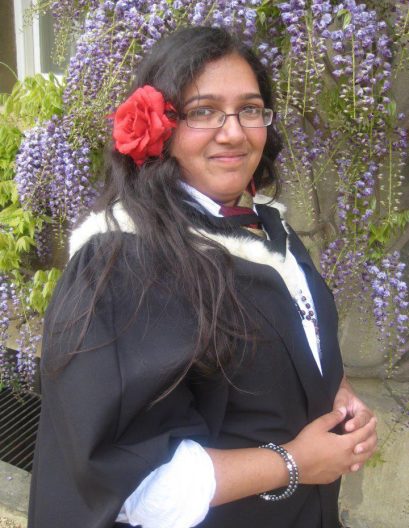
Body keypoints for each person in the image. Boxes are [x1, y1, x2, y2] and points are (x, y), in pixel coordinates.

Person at [28, 26, 377, 528]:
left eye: (250, 109)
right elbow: (131, 486)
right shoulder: (127, 264)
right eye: (203, 111)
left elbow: (288, 341)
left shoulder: (265, 228)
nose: (233, 132)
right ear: (160, 129)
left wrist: (334, 389)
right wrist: (296, 462)